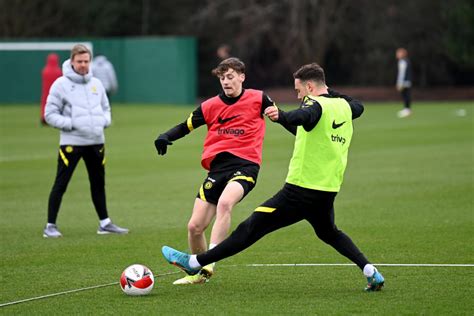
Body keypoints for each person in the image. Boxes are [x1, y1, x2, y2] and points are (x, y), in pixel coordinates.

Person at [161, 63, 385, 292]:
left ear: (309, 87)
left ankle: (195, 262)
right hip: (327, 189)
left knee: (249, 228)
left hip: (300, 190)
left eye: (299, 90)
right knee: (330, 233)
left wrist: (283, 116)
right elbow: (357, 106)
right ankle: (371, 272)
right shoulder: (346, 107)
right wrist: (325, 91)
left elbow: (304, 115)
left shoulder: (314, 105)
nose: (298, 95)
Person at [154, 57, 286, 285]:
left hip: (246, 166)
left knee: (226, 203)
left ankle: (209, 262)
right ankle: (198, 275)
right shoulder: (209, 106)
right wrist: (165, 135)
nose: (226, 81)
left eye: (230, 77)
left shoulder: (258, 98)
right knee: (194, 227)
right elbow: (185, 126)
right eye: (222, 78)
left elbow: (282, 118)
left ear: (242, 77)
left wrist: (303, 128)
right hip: (217, 169)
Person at [43, 44, 128, 238]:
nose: (83, 65)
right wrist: (71, 124)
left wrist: (103, 122)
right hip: (71, 143)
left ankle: (105, 223)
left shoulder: (96, 84)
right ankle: (50, 226)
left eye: (86, 61)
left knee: (98, 183)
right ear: (72, 62)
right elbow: (49, 114)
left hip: (96, 141)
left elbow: (106, 109)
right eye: (79, 61)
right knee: (61, 183)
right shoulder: (60, 84)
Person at [40, 53, 62, 125]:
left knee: (45, 103)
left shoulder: (45, 71)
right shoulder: (59, 71)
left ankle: (44, 117)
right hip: (56, 92)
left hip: (46, 91)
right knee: (56, 104)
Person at [395, 47, 412, 118]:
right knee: (406, 95)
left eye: (398, 53)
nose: (396, 54)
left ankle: (407, 110)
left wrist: (399, 83)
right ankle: (407, 109)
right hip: (407, 81)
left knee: (405, 95)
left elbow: (402, 73)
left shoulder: (402, 61)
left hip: (404, 82)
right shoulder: (407, 61)